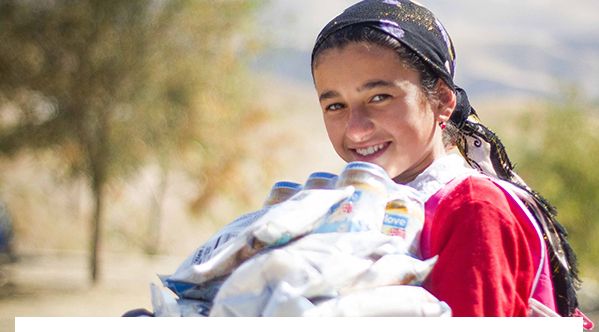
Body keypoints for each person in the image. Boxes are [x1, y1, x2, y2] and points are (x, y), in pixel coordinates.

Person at [310, 0, 583, 319]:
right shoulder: (354, 209)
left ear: (441, 100)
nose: (356, 130)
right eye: (335, 106)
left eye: (379, 97)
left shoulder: (472, 209)